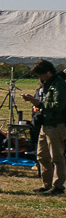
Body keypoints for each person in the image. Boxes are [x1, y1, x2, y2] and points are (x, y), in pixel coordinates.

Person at [22, 60, 65, 195]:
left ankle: (58, 186)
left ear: (48, 73)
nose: (39, 78)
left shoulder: (59, 84)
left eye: (40, 75)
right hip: (45, 124)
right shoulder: (47, 84)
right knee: (41, 155)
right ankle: (46, 184)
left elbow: (58, 105)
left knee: (56, 156)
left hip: (56, 124)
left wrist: (39, 103)